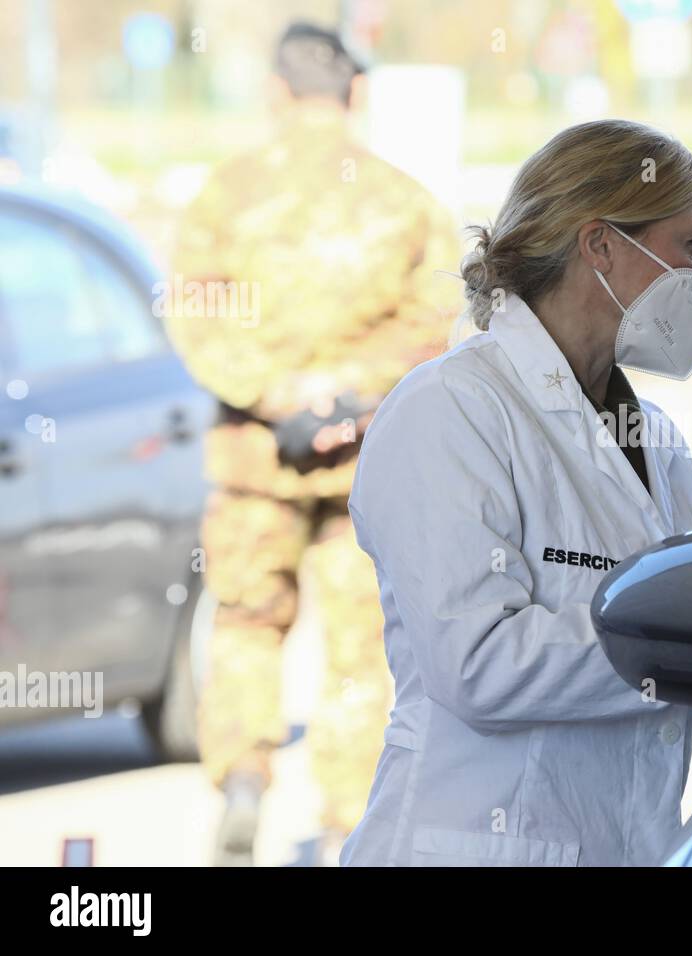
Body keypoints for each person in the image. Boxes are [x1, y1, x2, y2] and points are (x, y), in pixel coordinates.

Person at [341, 119, 692, 867]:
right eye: (691, 245)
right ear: (600, 246)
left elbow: (675, 704)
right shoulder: (452, 410)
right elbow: (480, 665)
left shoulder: (653, 438)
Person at [165, 21, 462, 865]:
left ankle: (245, 781)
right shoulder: (404, 200)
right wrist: (347, 394)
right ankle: (344, 826)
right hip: (359, 464)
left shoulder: (227, 195)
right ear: (356, 94)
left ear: (275, 91)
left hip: (256, 463)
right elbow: (435, 318)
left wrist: (277, 392)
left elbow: (195, 311)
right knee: (360, 649)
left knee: (247, 625)